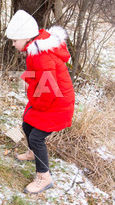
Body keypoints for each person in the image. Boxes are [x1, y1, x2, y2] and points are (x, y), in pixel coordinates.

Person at [5, 10, 75, 194]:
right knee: (27, 124)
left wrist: (38, 105)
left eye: (14, 40)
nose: (13, 44)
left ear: (25, 37)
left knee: (37, 137)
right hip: (49, 99)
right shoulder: (36, 50)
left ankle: (44, 177)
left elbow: (49, 88)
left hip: (56, 104)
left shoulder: (41, 54)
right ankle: (33, 153)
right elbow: (42, 77)